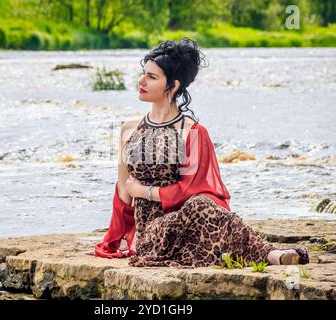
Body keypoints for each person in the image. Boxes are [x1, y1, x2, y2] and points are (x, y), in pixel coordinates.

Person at [93, 38, 309, 268]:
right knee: (202, 207)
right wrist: (115, 240)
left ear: (172, 86)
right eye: (144, 73)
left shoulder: (193, 132)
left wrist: (143, 191)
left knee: (202, 204)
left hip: (194, 221)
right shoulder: (129, 130)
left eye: (151, 77)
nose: (141, 81)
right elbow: (123, 194)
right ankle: (272, 255)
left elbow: (187, 191)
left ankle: (271, 255)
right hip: (154, 232)